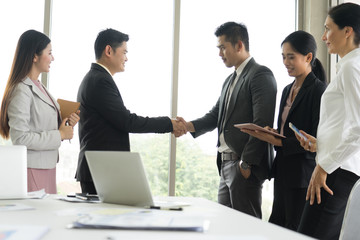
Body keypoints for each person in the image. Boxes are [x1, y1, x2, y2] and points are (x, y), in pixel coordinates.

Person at [179, 22, 277, 218]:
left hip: (242, 165)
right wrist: (187, 126)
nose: (220, 53)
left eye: (223, 47)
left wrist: (246, 164)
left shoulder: (260, 74)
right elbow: (216, 115)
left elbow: (261, 123)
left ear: (239, 45)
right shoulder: (229, 80)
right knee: (225, 226)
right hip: (225, 165)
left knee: (246, 230)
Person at [76, 28, 186, 194]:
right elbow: (127, 121)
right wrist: (168, 124)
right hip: (100, 171)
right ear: (108, 51)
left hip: (101, 170)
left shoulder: (96, 78)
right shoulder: (99, 81)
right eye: (124, 52)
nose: (127, 58)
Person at [241, 30, 327, 230]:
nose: (286, 62)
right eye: (283, 57)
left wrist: (278, 141)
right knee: (277, 226)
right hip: (283, 170)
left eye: (291, 57)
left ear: (308, 57)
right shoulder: (288, 89)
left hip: (302, 175)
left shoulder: (319, 90)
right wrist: (273, 133)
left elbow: (316, 137)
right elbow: (286, 129)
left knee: (293, 228)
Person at [294, 3, 360, 239]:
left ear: (347, 31)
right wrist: (320, 144)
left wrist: (323, 166)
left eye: (328, 29)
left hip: (336, 172)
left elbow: (359, 130)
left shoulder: (352, 68)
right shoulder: (349, 68)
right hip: (336, 169)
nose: (323, 37)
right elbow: (347, 125)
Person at [0, 30, 79, 194]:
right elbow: (20, 138)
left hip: (47, 167)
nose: (53, 58)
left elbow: (40, 126)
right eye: (49, 53)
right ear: (34, 56)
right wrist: (60, 135)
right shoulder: (21, 90)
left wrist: (64, 125)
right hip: (32, 169)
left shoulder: (40, 87)